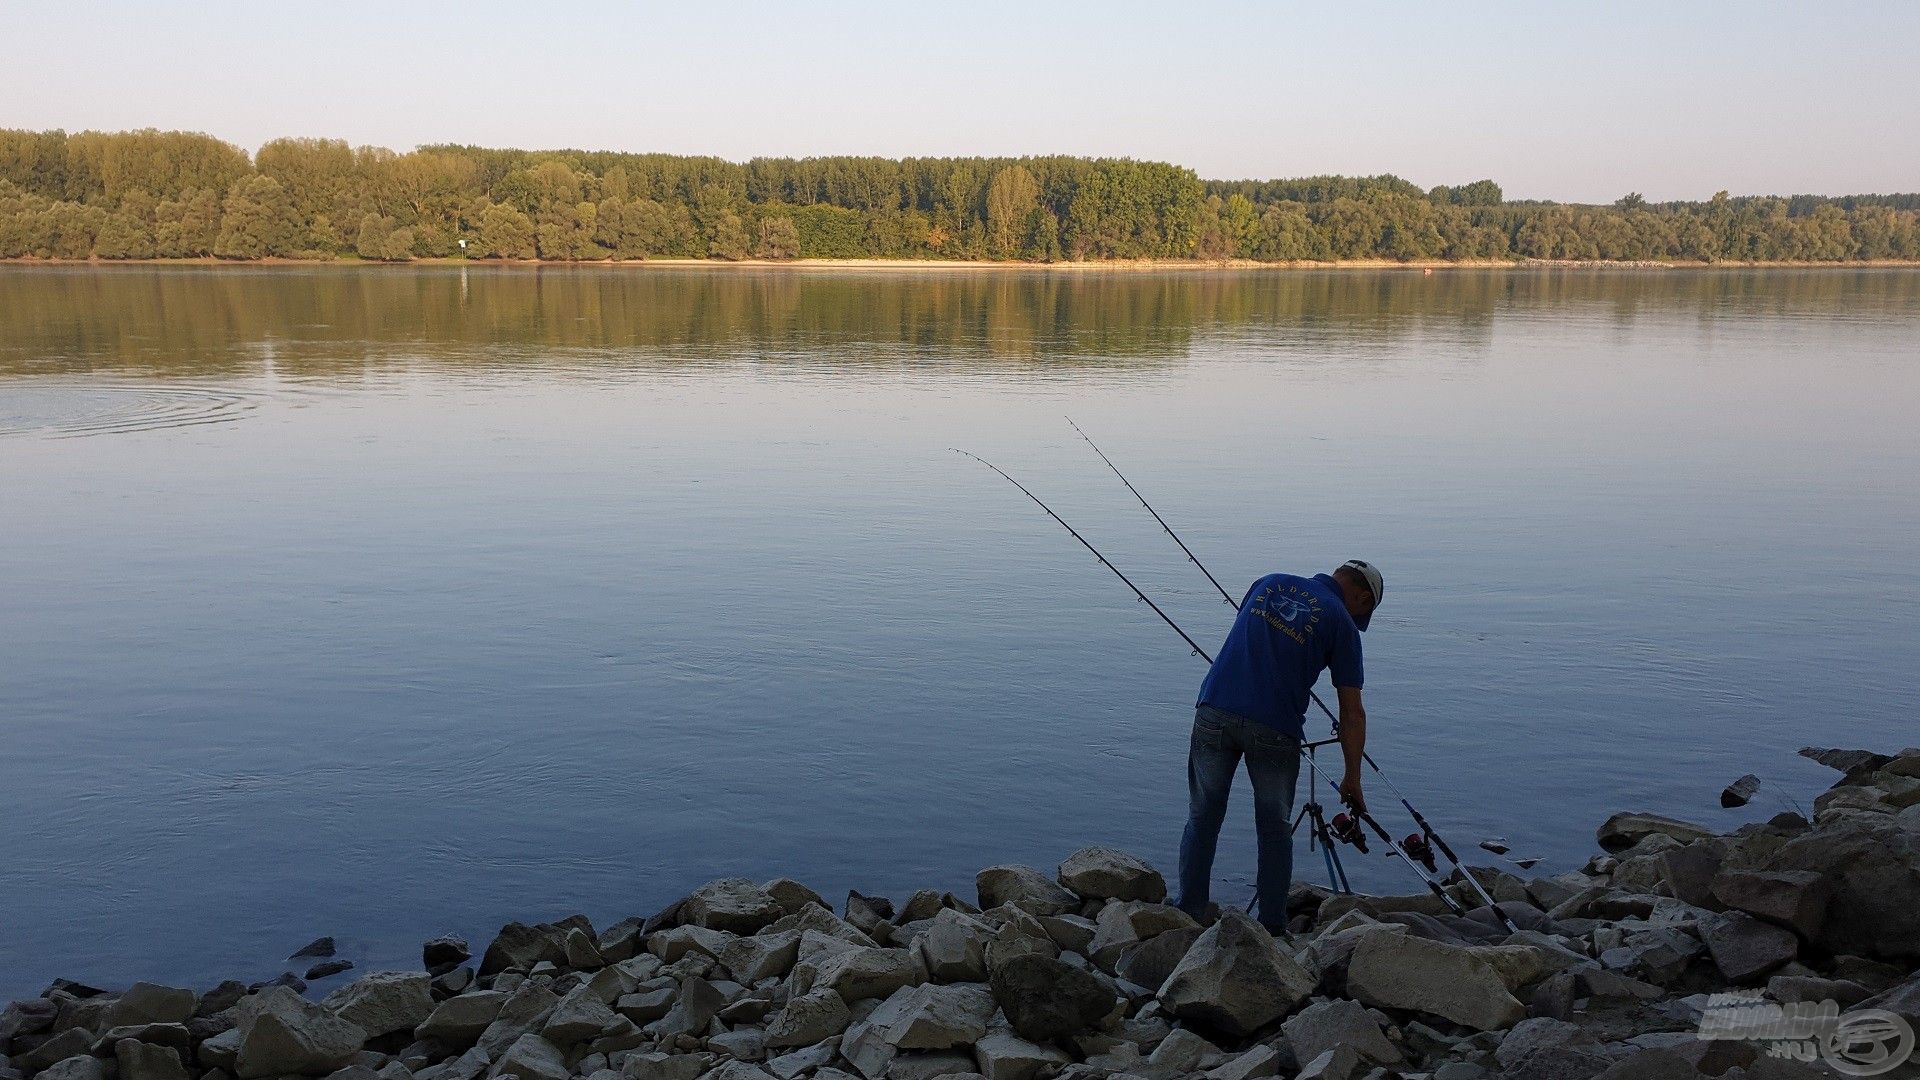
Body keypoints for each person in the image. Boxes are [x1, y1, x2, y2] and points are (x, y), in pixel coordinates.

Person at [1176, 559, 1383, 933]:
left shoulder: (1266, 582)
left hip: (1214, 710)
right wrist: (1352, 777)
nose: (1358, 622)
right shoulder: (1341, 623)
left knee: (1202, 816)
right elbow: (1352, 714)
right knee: (1273, 828)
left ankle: (1188, 912)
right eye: (1363, 613)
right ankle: (1270, 929)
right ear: (1363, 598)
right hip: (1274, 728)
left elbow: (1254, 641)